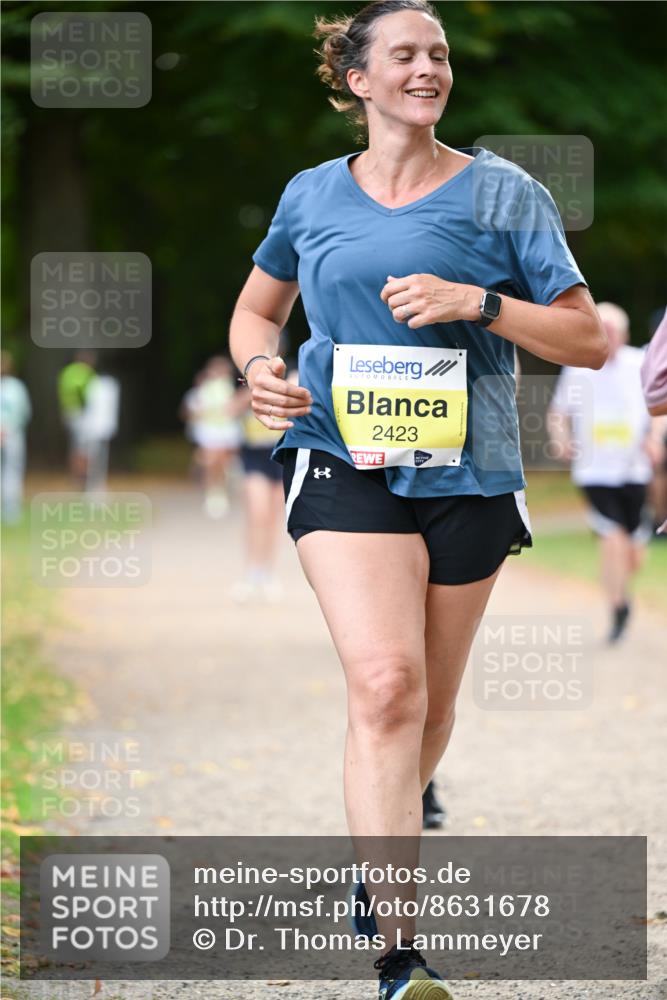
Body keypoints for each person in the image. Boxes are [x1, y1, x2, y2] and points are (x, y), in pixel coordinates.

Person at [229, 2, 607, 995]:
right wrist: (260, 371)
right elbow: (257, 312)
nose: (427, 68)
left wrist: (475, 302)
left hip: (467, 469)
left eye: (437, 53)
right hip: (339, 453)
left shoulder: (504, 193)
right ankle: (400, 954)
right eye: (404, 54)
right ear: (358, 79)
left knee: (427, 701)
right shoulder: (311, 193)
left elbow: (585, 340)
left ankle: (378, 846)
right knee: (388, 686)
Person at [548, 302, 663, 643]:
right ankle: (618, 606)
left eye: (614, 332)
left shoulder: (640, 363)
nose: (608, 338)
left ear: (624, 335)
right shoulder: (577, 367)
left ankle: (620, 589)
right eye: (603, 330)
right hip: (594, 472)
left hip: (634, 471)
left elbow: (660, 409)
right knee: (612, 538)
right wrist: (561, 440)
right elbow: (558, 413)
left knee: (632, 552)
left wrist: (655, 439)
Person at [184, 356, 242, 518]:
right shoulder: (203, 389)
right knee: (211, 463)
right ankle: (213, 494)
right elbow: (193, 410)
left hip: (226, 431)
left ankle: (221, 488)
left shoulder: (230, 387)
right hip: (209, 431)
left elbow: (234, 409)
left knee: (221, 462)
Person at [0, 350, 32, 523]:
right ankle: (10, 510)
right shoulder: (16, 387)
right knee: (12, 471)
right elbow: (25, 413)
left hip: (9, 433)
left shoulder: (16, 387)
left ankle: (10, 509)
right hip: (13, 434)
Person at [58, 350, 97, 489]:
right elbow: (88, 393)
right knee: (84, 447)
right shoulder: (85, 372)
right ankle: (82, 477)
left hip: (68, 412)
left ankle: (76, 475)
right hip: (81, 414)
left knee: (75, 446)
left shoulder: (67, 371)